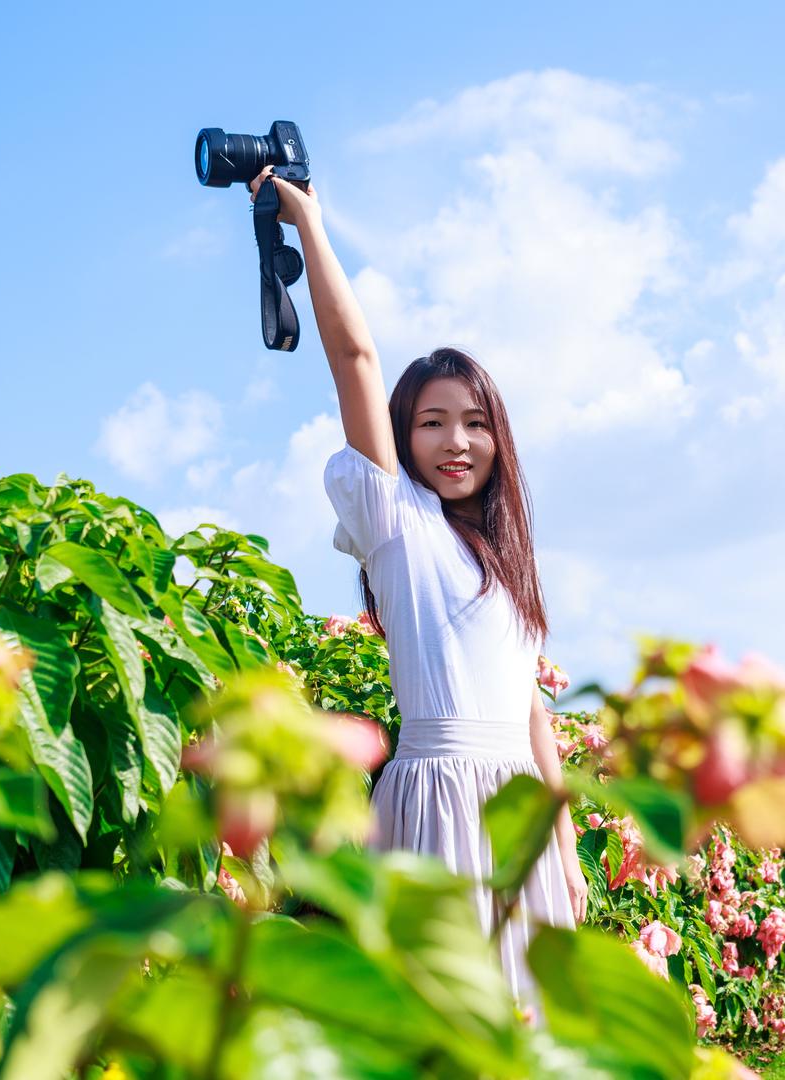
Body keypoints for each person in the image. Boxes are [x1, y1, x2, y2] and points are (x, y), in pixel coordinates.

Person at [249, 164, 588, 1024]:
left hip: (518, 810)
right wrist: (308, 224)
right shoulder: (398, 520)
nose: (457, 442)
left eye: (475, 424)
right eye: (432, 422)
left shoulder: (508, 563)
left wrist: (567, 843)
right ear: (401, 436)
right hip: (433, 797)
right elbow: (353, 354)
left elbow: (532, 712)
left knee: (526, 1029)